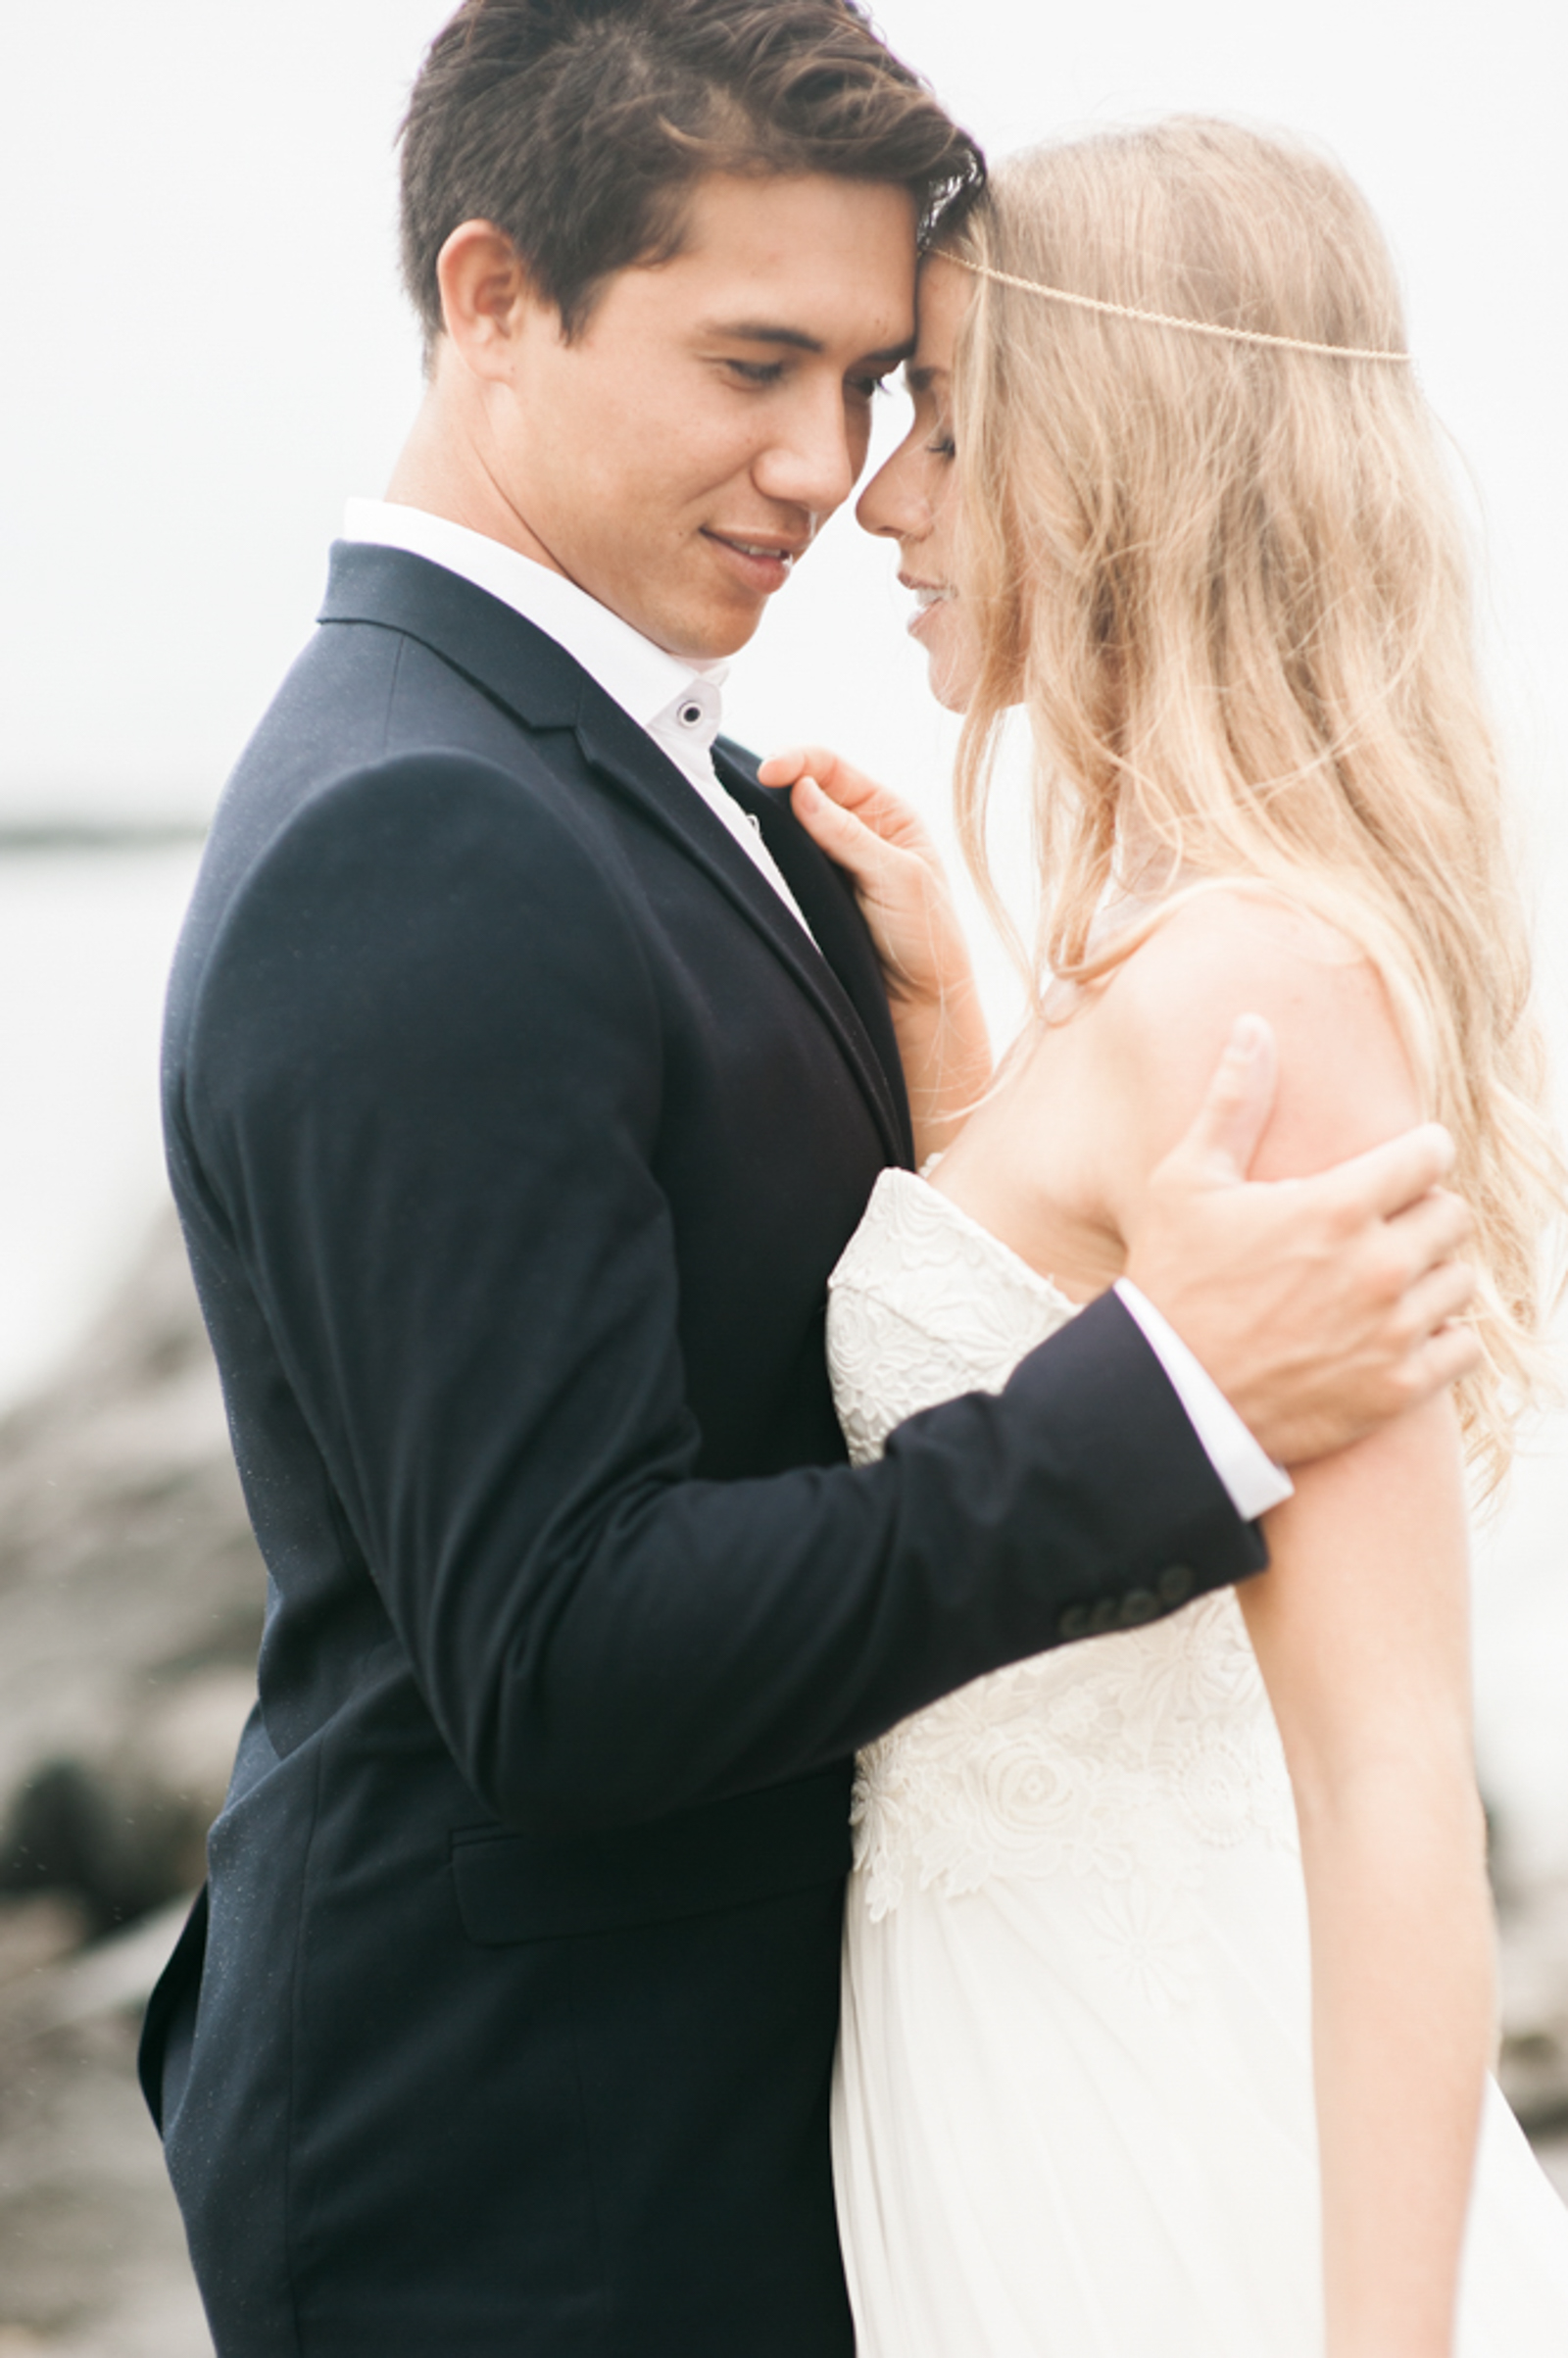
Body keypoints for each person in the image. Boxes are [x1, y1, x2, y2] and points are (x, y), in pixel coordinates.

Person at [140, 9, 1475, 2348]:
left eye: (879, 387)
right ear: (488, 297)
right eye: (755, 362)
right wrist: (1172, 1403)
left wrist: (959, 1113)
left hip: (822, 2134)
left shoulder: (639, 781)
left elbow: (764, 1356)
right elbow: (553, 1654)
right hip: (525, 2185)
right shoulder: (419, 829)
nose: (828, 471)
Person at [766, 118, 1568, 2357]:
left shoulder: (1252, 994)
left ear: (1124, 456)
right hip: (994, 2073)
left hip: (1142, 2134)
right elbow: (1095, 1412)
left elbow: (1388, 1770)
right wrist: (959, 1061)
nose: (879, 497)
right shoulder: (1135, 977)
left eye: (941, 416)